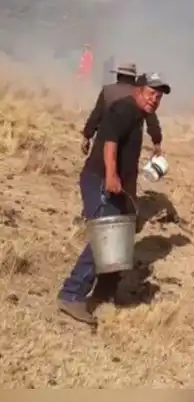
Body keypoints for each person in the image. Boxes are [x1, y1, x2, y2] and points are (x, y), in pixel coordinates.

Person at [58, 73, 172, 325]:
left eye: (159, 96)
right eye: (152, 93)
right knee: (106, 237)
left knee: (122, 234)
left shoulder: (139, 113)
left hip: (118, 186)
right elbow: (109, 141)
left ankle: (106, 291)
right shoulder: (125, 109)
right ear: (138, 89)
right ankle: (71, 294)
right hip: (100, 178)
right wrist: (111, 175)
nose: (155, 99)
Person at [81, 62, 163, 164]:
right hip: (129, 152)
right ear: (133, 78)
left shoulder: (108, 91)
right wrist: (157, 142)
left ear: (118, 75)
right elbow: (152, 121)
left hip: (103, 146)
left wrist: (87, 136)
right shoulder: (140, 95)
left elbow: (96, 116)